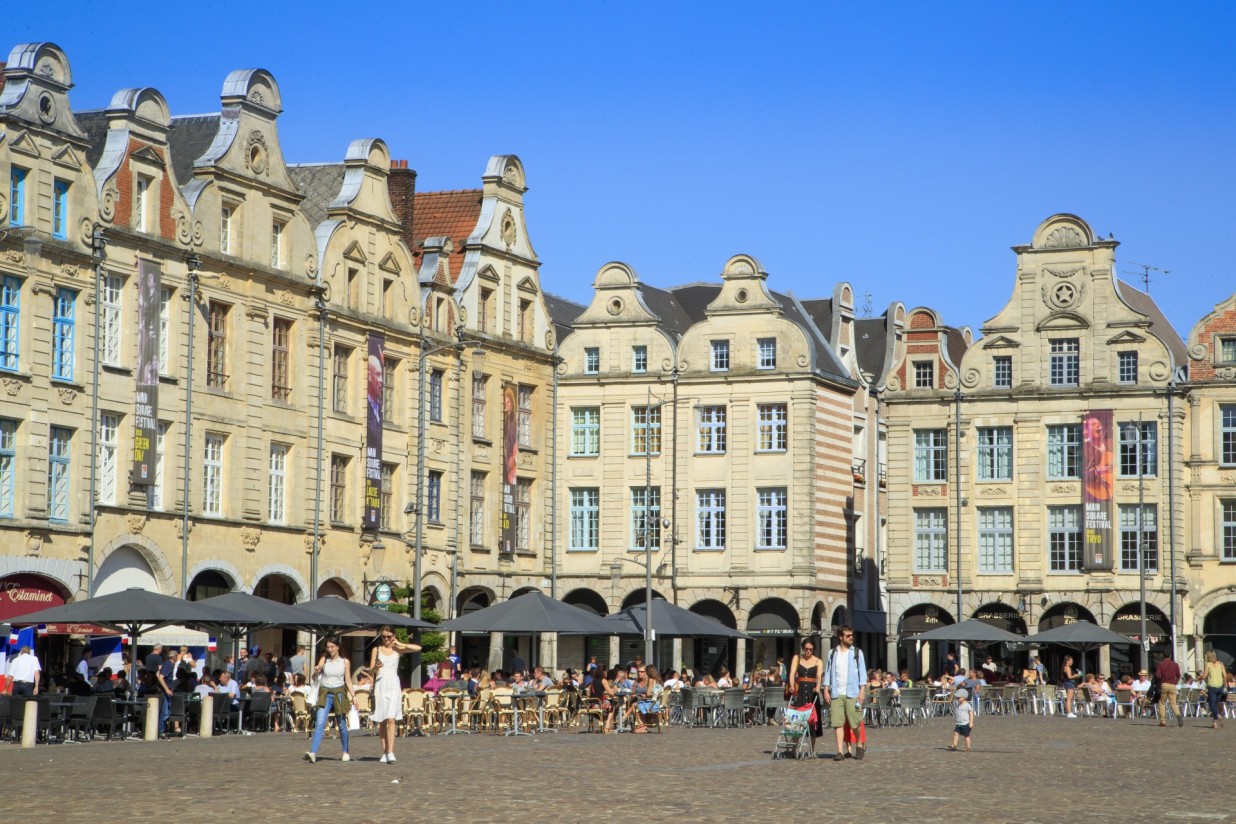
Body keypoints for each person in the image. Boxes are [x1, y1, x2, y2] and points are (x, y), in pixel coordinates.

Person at [370, 624, 421, 764]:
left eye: (389, 636)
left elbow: (418, 648)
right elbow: (370, 672)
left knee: (391, 718)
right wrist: (375, 667)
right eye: (384, 636)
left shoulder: (397, 649)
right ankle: (384, 752)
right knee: (382, 720)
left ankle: (391, 751)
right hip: (380, 682)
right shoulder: (377, 649)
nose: (386, 639)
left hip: (393, 682)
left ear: (394, 636)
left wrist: (400, 643)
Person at [306, 637, 355, 764]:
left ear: (338, 647)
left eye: (332, 647)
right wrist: (317, 670)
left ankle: (345, 751)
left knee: (342, 724)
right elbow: (316, 673)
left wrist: (354, 696)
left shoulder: (345, 662)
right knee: (320, 722)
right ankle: (313, 752)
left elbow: (348, 680)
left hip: (339, 692)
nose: (330, 649)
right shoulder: (324, 659)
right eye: (328, 647)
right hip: (325, 692)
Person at [822, 626, 867, 762]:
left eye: (852, 635)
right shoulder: (832, 653)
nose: (851, 637)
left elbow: (862, 673)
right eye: (848, 636)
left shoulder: (857, 653)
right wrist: (826, 689)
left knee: (855, 723)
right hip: (836, 692)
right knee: (837, 723)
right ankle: (840, 751)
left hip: (852, 692)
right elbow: (828, 672)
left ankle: (859, 744)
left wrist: (862, 690)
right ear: (841, 637)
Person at [787, 638, 824, 745]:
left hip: (812, 691)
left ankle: (812, 748)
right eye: (806, 649)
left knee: (813, 718)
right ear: (803, 648)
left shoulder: (818, 661)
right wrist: (792, 685)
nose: (808, 651)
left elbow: (819, 676)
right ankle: (794, 747)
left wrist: (818, 686)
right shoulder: (797, 658)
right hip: (801, 690)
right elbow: (792, 673)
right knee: (797, 718)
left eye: (811, 649)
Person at [1155, 652, 1183, 728]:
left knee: (1162, 702)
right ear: (1170, 655)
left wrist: (1160, 681)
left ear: (1163, 656)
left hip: (1164, 684)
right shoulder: (1175, 664)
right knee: (1173, 703)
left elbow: (1157, 675)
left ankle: (1163, 721)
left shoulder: (1161, 664)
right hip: (1173, 684)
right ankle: (1178, 714)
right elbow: (1178, 675)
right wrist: (1175, 682)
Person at [1203, 650, 1228, 729]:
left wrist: (1198, 678)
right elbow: (1225, 675)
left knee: (1211, 704)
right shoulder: (1220, 664)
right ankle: (1214, 723)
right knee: (1216, 704)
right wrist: (1224, 683)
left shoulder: (1208, 665)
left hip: (1212, 687)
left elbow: (1204, 676)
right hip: (1220, 687)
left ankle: (1218, 715)